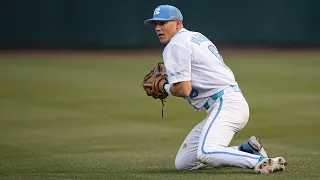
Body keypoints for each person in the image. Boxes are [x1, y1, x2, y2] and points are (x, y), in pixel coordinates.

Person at [143, 4, 287, 174]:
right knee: (183, 163)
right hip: (226, 102)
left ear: (178, 23)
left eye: (163, 23)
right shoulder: (195, 36)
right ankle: (247, 150)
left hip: (225, 104)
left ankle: (260, 161)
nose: (158, 28)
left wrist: (165, 86)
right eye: (156, 24)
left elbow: (184, 89)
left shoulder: (175, 45)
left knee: (206, 152)